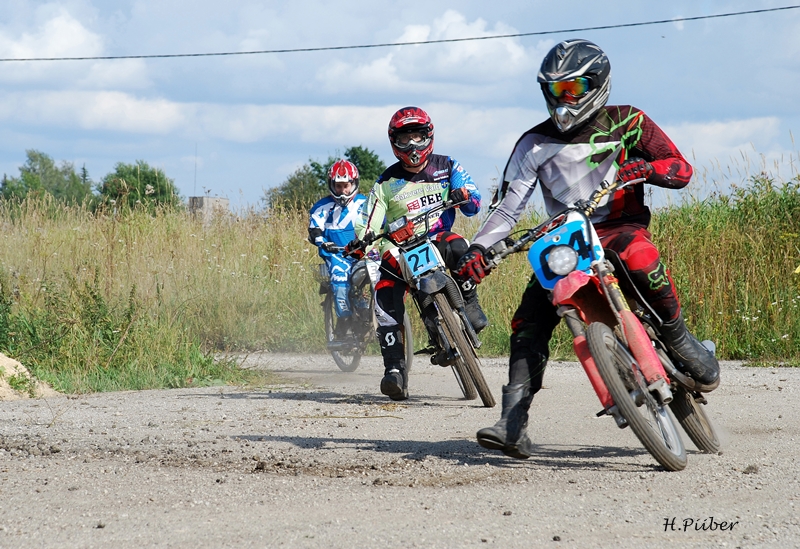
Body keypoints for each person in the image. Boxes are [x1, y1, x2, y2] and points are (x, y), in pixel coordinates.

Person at [456, 39, 721, 459]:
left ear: (596, 84)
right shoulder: (532, 144)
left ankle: (680, 338)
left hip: (619, 226)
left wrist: (648, 169)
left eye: (570, 89)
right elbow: (506, 211)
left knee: (641, 259)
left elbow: (680, 168)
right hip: (565, 239)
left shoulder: (627, 121)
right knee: (528, 320)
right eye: (553, 91)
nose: (562, 100)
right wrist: (476, 250)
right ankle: (513, 421)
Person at [347, 106, 485, 401]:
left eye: (418, 137)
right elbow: (368, 221)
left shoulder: (448, 166)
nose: (412, 146)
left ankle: (470, 305)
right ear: (393, 142)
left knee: (462, 246)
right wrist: (362, 240)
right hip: (397, 249)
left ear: (429, 137)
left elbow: (473, 201)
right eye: (404, 139)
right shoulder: (384, 183)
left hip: (436, 237)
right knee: (383, 295)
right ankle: (394, 370)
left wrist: (464, 195)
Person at [308, 159, 368, 343]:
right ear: (332, 185)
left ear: (354, 184)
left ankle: (380, 315)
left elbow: (382, 220)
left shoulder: (365, 203)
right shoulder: (321, 206)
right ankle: (344, 321)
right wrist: (321, 241)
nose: (342, 190)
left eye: (346, 186)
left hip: (362, 252)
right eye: (338, 186)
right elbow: (314, 228)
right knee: (341, 281)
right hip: (336, 254)